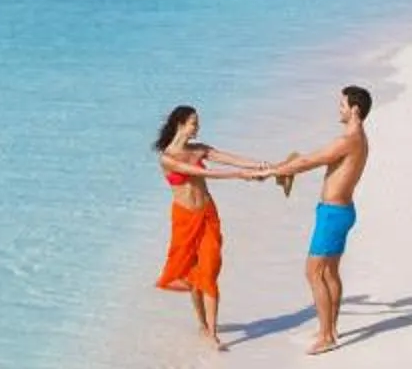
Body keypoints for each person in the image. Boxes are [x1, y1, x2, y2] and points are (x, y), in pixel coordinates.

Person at [152, 104, 280, 350]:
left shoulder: (200, 149)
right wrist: (239, 176)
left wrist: (262, 165)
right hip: (184, 218)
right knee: (181, 275)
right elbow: (198, 173)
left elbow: (230, 158)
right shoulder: (167, 158)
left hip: (208, 214)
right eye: (193, 122)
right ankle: (202, 324)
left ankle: (212, 332)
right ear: (180, 124)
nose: (197, 127)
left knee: (209, 270)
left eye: (197, 122)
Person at [270, 85, 373, 355]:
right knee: (329, 272)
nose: (338, 109)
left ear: (355, 110)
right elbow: (308, 160)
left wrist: (274, 170)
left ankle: (326, 336)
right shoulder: (358, 138)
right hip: (340, 212)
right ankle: (330, 328)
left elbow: (308, 161)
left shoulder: (349, 139)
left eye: (342, 105)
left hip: (333, 215)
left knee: (313, 272)